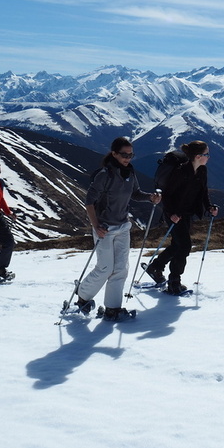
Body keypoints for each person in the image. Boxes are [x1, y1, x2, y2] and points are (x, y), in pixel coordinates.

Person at [75, 137, 161, 321]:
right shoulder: (104, 175)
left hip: (123, 226)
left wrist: (150, 198)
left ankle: (112, 308)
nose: (128, 158)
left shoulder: (130, 172)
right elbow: (89, 201)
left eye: (131, 154)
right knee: (105, 267)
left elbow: (135, 194)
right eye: (124, 154)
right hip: (104, 228)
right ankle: (82, 294)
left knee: (121, 268)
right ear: (114, 154)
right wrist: (95, 225)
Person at [146, 140, 218, 295]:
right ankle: (174, 282)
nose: (208, 157)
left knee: (178, 245)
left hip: (186, 213)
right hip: (174, 214)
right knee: (185, 245)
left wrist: (209, 207)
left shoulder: (202, 171)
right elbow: (168, 195)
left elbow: (203, 192)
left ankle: (155, 267)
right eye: (206, 154)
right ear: (198, 156)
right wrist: (171, 213)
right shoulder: (180, 171)